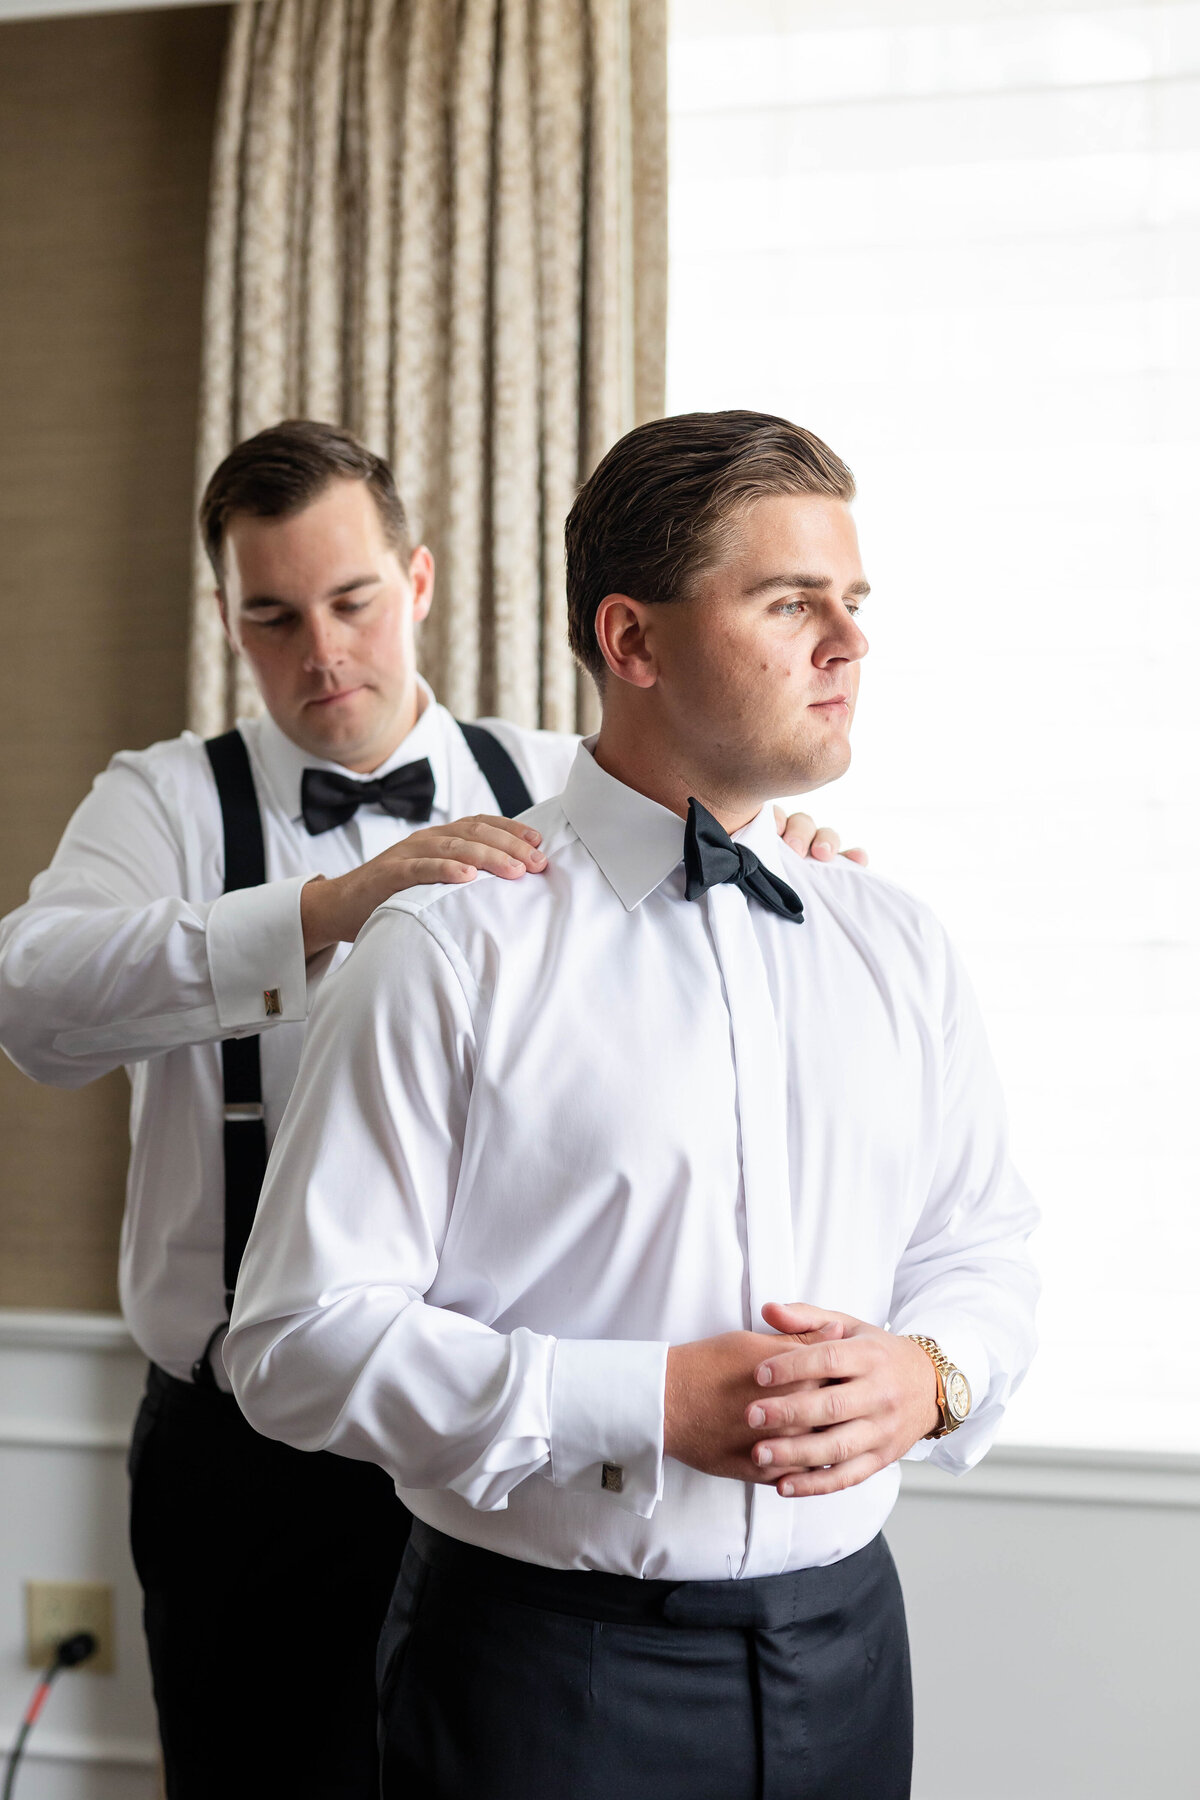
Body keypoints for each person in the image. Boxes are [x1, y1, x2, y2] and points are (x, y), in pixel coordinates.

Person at [0, 419, 861, 1799]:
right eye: (274, 617)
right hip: (242, 1458)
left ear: (418, 581)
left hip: (513, 1455)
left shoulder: (568, 781)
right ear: (226, 618)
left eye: (351, 601)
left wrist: (787, 848)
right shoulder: (164, 801)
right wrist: (323, 913)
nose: (321, 651)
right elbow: (32, 1002)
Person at [225, 409, 1040, 1800]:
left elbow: (983, 1247)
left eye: (854, 601)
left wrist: (933, 1374)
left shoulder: (898, 943)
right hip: (544, 1676)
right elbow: (294, 1344)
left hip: (851, 1651)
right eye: (791, 603)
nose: (849, 642)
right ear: (633, 641)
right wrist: (641, 1402)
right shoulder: (444, 949)